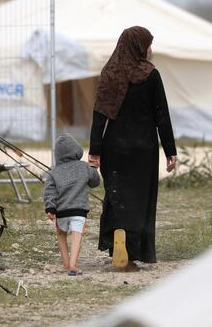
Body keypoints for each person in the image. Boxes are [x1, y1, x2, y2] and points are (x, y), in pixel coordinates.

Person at [88, 26, 177, 270]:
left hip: (113, 149)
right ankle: (133, 252)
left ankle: (117, 235)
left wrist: (94, 151)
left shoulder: (110, 73)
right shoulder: (151, 75)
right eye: (148, 44)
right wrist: (170, 151)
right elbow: (162, 116)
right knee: (141, 200)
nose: (150, 49)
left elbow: (99, 116)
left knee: (117, 197)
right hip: (144, 150)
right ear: (139, 46)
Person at [44, 133, 101, 276]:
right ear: (77, 150)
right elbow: (95, 183)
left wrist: (50, 208)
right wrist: (94, 168)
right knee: (77, 236)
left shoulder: (53, 173)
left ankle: (66, 263)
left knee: (61, 234)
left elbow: (49, 191)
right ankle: (73, 265)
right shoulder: (84, 167)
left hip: (61, 211)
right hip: (79, 211)